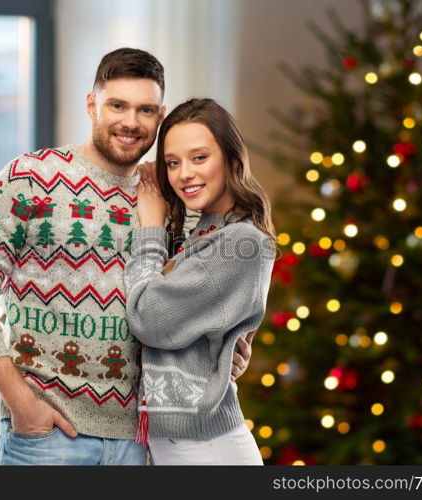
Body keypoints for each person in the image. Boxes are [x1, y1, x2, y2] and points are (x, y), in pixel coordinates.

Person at [0, 49, 254, 465]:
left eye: (145, 109)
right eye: (117, 105)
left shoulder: (170, 198)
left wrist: (227, 347)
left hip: (138, 443)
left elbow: (187, 305)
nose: (131, 122)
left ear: (160, 116)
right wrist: (21, 403)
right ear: (91, 105)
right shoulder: (29, 178)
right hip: (46, 437)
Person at [124, 98, 277, 465]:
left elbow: (149, 318)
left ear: (231, 158)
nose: (184, 174)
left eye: (199, 158)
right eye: (173, 163)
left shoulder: (241, 242)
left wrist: (149, 231)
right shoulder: (206, 229)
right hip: (186, 446)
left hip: (209, 449)